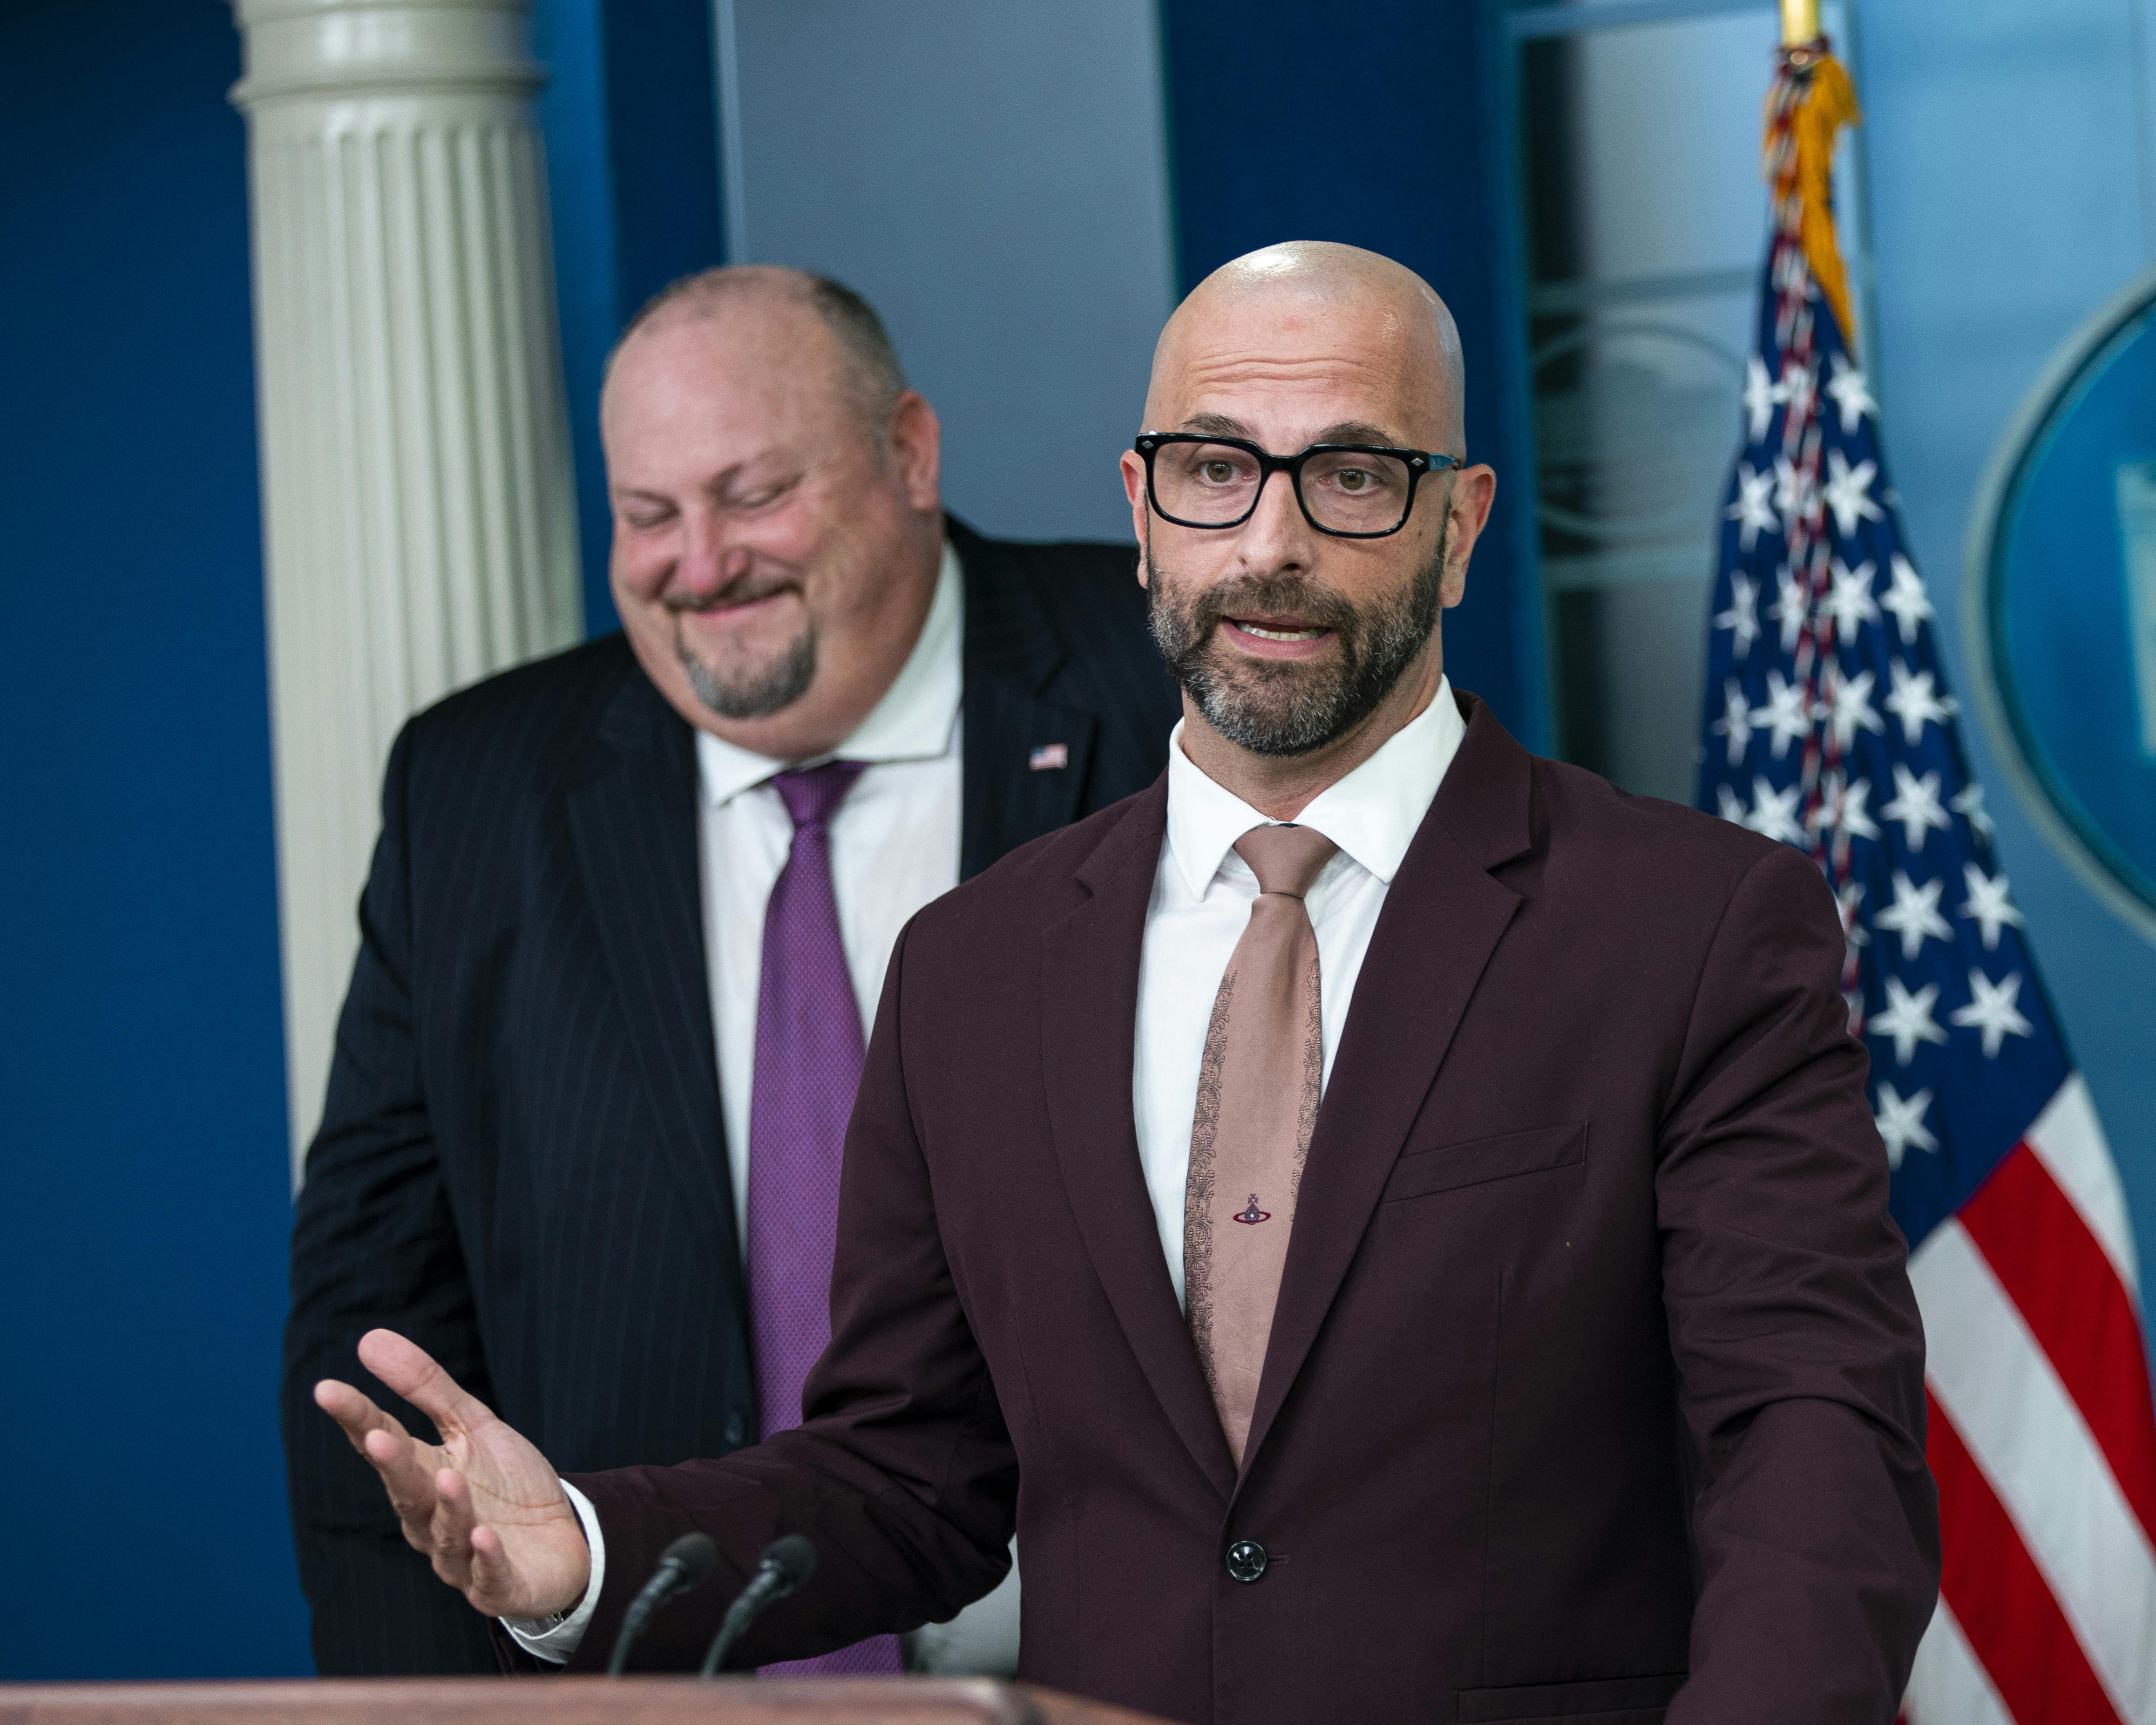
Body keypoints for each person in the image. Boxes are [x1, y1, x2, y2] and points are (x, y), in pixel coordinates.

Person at [319, 242, 1939, 1722]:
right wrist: (589, 1551)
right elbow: (912, 1478)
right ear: (1144, 507)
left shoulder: (1693, 925)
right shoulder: (969, 967)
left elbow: (1812, 1443)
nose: (1272, 544)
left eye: (1352, 476)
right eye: (1216, 471)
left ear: (1456, 529)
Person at [284, 265, 1177, 1676]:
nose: (699, 567)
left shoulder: (1174, 683)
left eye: (753, 496)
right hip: (653, 1678)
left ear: (910, 455)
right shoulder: (477, 793)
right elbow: (379, 1332)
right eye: (649, 516)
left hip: (1136, 1674)